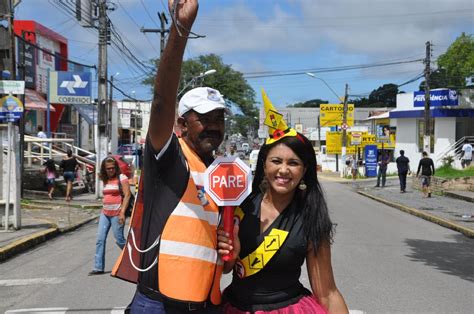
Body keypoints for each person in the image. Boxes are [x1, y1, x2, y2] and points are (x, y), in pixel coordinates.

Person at [112, 1, 231, 312]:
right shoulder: (169, 156)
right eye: (203, 119)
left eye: (219, 119)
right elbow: (163, 102)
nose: (213, 126)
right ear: (182, 124)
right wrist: (180, 30)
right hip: (157, 303)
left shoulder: (224, 173)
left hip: (205, 302)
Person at [217, 90, 348, 313]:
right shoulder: (240, 206)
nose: (284, 170)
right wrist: (232, 253)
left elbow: (326, 292)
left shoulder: (310, 218)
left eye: (294, 163)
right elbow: (226, 269)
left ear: (304, 170)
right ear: (264, 165)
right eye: (276, 161)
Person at [89, 156, 130, 275]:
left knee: (119, 239)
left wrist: (122, 213)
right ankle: (98, 267)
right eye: (108, 168)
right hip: (105, 213)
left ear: (116, 168)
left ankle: (134, 260)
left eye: (112, 168)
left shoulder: (122, 178)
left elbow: (127, 195)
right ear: (105, 169)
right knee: (100, 239)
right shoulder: (105, 179)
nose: (110, 170)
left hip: (117, 214)